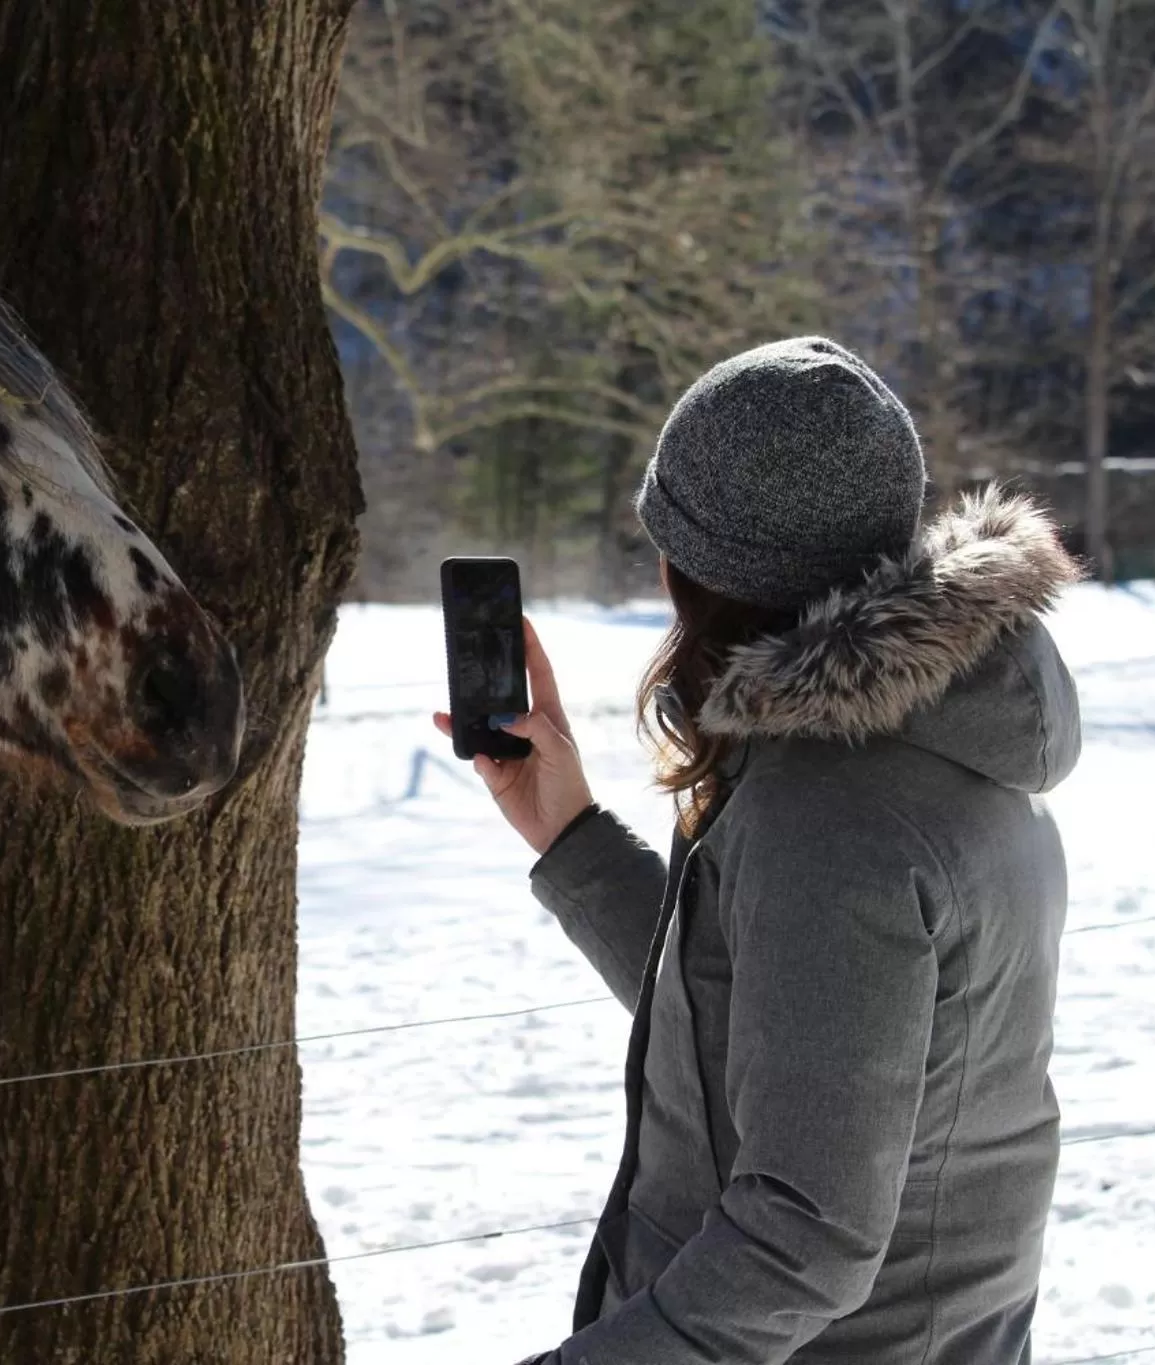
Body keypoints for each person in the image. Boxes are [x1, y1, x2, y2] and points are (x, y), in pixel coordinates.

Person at [434, 337, 1083, 1364]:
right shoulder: (940, 730)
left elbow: (803, 1237)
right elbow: (767, 1009)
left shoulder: (830, 816)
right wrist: (568, 836)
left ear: (698, 572)